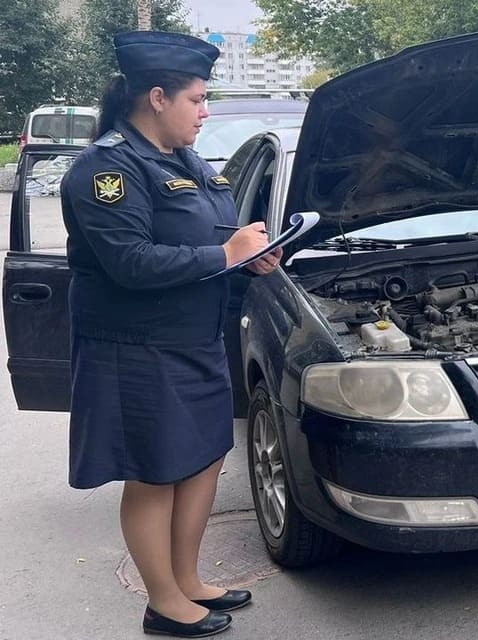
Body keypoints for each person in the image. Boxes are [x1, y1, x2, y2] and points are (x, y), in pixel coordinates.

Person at [60, 31, 282, 638]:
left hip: (194, 339)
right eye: (198, 99)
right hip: (135, 347)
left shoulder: (183, 159)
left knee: (203, 459)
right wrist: (223, 253)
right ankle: (163, 603)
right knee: (156, 471)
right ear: (157, 97)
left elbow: (207, 238)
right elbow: (129, 260)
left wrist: (247, 256)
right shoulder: (107, 168)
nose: (205, 112)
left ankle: (187, 579)